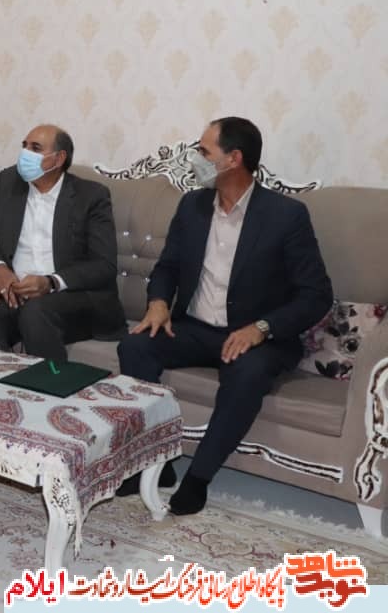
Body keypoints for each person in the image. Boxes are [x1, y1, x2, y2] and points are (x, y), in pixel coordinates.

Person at [116, 117, 332, 514]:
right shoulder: (192, 205)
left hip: (256, 337)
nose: (194, 158)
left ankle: (198, 478)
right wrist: (158, 302)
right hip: (195, 328)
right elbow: (167, 267)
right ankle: (154, 461)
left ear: (233, 159)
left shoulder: (286, 215)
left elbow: (316, 295)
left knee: (247, 374)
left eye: (203, 151)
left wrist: (262, 328)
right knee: (135, 346)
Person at [0, 124, 125, 360]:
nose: (25, 154)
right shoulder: (8, 183)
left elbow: (104, 265)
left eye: (35, 148)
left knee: (35, 313)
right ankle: (4, 379)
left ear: (59, 158)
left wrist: (51, 282)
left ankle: (53, 380)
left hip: (67, 297)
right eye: (24, 146)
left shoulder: (91, 196)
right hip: (13, 290)